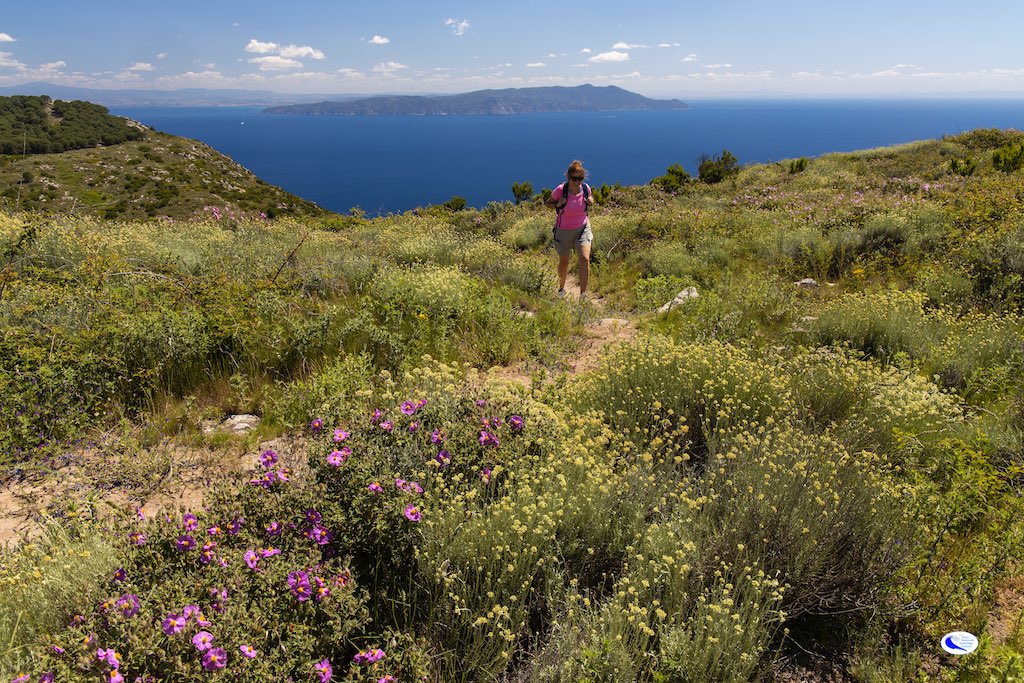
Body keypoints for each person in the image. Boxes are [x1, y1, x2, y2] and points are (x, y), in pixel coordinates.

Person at [545, 160, 594, 299]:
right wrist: (557, 204)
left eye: (580, 178)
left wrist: (591, 200)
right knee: (564, 261)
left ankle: (583, 296)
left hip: (583, 227)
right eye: (574, 178)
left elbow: (590, 197)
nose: (577, 182)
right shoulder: (561, 190)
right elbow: (548, 203)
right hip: (564, 230)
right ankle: (561, 289)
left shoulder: (585, 188)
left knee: (585, 259)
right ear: (568, 177)